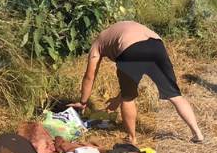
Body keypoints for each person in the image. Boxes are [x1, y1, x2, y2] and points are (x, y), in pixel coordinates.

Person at [70, 21, 204, 145]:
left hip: (131, 49)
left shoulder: (97, 44)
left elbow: (89, 76)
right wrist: (116, 100)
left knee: (128, 99)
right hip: (157, 45)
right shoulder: (119, 28)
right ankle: (197, 133)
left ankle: (132, 138)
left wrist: (83, 102)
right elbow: (131, 81)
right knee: (175, 95)